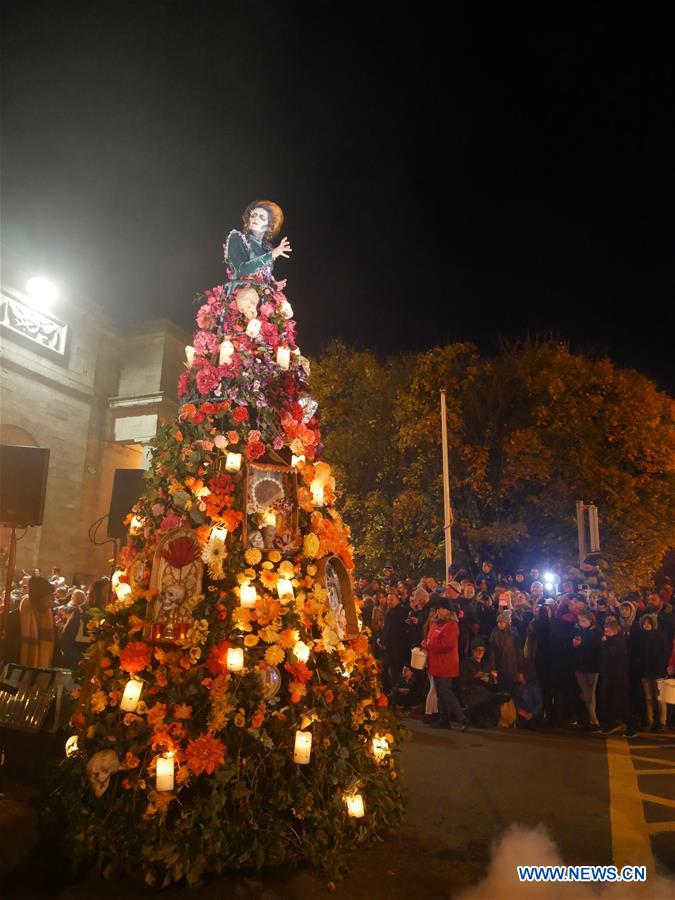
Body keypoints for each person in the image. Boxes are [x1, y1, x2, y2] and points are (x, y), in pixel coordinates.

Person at [223, 200, 291, 295]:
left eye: (262, 217)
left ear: (270, 226)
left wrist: (272, 283)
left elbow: (261, 275)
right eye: (253, 215)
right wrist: (272, 254)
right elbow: (241, 271)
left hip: (261, 297)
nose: (256, 218)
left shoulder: (267, 248)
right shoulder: (237, 238)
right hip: (241, 296)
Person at [422, 598, 467, 730]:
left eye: (441, 608)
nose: (438, 611)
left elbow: (447, 644)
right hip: (435, 662)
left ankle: (461, 718)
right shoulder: (435, 624)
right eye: (438, 609)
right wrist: (425, 643)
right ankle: (444, 719)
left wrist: (429, 644)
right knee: (440, 692)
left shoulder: (451, 625)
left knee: (445, 691)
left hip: (445, 663)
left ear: (448, 610)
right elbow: (430, 639)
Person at [5, 575, 57, 667]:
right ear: (39, 598)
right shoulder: (16, 617)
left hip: (44, 673)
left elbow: (56, 645)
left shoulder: (50, 617)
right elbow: (10, 650)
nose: (53, 598)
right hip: (18, 672)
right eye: (50, 595)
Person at [600, 619, 636, 737]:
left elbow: (611, 654)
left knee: (621, 703)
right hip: (610, 676)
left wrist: (605, 643)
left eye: (608, 630)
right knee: (609, 701)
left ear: (615, 630)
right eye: (605, 629)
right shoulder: (612, 640)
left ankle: (630, 727)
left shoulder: (618, 641)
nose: (606, 632)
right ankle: (611, 723)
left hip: (618, 677)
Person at [636, 613, 670, 732]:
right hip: (645, 672)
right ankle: (650, 720)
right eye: (644, 623)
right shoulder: (641, 638)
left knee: (660, 698)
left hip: (658, 672)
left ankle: (662, 722)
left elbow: (664, 654)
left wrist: (660, 666)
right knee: (648, 698)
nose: (646, 625)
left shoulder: (660, 637)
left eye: (648, 623)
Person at [572, 610, 601, 730]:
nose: (581, 623)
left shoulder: (596, 632)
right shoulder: (578, 631)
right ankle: (592, 720)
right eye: (580, 621)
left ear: (590, 620)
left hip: (592, 667)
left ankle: (594, 721)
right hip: (579, 666)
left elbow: (592, 645)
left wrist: (581, 643)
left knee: (589, 693)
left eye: (584, 621)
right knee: (587, 693)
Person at [486, 611, 523, 697]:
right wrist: (493, 668)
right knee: (502, 691)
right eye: (498, 622)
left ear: (506, 623)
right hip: (501, 667)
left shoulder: (514, 634)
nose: (499, 624)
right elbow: (492, 653)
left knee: (512, 691)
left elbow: (519, 652)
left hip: (512, 667)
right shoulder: (494, 634)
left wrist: (520, 669)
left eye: (501, 622)